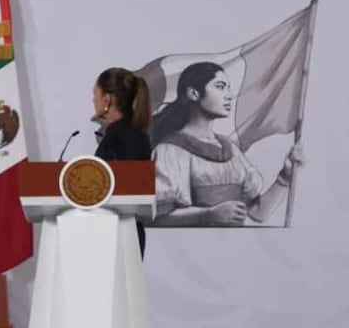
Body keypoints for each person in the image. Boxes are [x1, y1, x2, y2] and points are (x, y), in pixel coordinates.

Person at [150, 61, 304, 227]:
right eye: (220, 86)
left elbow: (258, 213)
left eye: (228, 88)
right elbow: (158, 217)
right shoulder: (169, 151)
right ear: (194, 93)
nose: (229, 95)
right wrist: (208, 215)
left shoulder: (231, 150)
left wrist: (285, 176)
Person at [92, 68, 153, 257]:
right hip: (118, 233)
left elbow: (129, 188)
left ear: (107, 100)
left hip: (121, 236)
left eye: (95, 94)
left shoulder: (125, 136)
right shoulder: (126, 134)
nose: (93, 100)